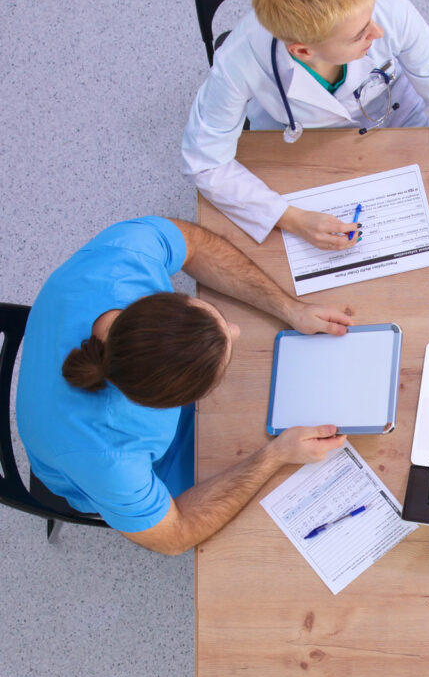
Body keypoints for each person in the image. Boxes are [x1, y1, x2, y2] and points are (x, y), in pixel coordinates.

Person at [16, 216, 352, 555]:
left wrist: (290, 309)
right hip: (81, 467)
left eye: (215, 316)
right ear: (172, 404)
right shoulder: (113, 460)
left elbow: (194, 243)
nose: (234, 330)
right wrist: (275, 456)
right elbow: (175, 535)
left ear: (164, 300)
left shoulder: (125, 255)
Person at [182, 0, 429, 292]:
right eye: (361, 34)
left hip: (393, 112)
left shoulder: (383, 8)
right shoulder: (240, 58)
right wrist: (291, 218)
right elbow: (206, 162)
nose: (378, 31)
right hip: (299, 142)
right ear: (303, 51)